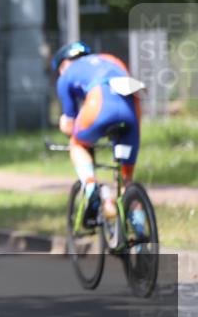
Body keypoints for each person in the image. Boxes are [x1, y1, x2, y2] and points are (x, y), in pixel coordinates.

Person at [52, 41, 145, 233]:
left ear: (62, 65)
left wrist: (67, 126)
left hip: (99, 105)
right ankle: (142, 238)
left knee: (77, 143)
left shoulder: (66, 75)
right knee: (126, 182)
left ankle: (92, 187)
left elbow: (70, 122)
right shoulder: (110, 59)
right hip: (131, 110)